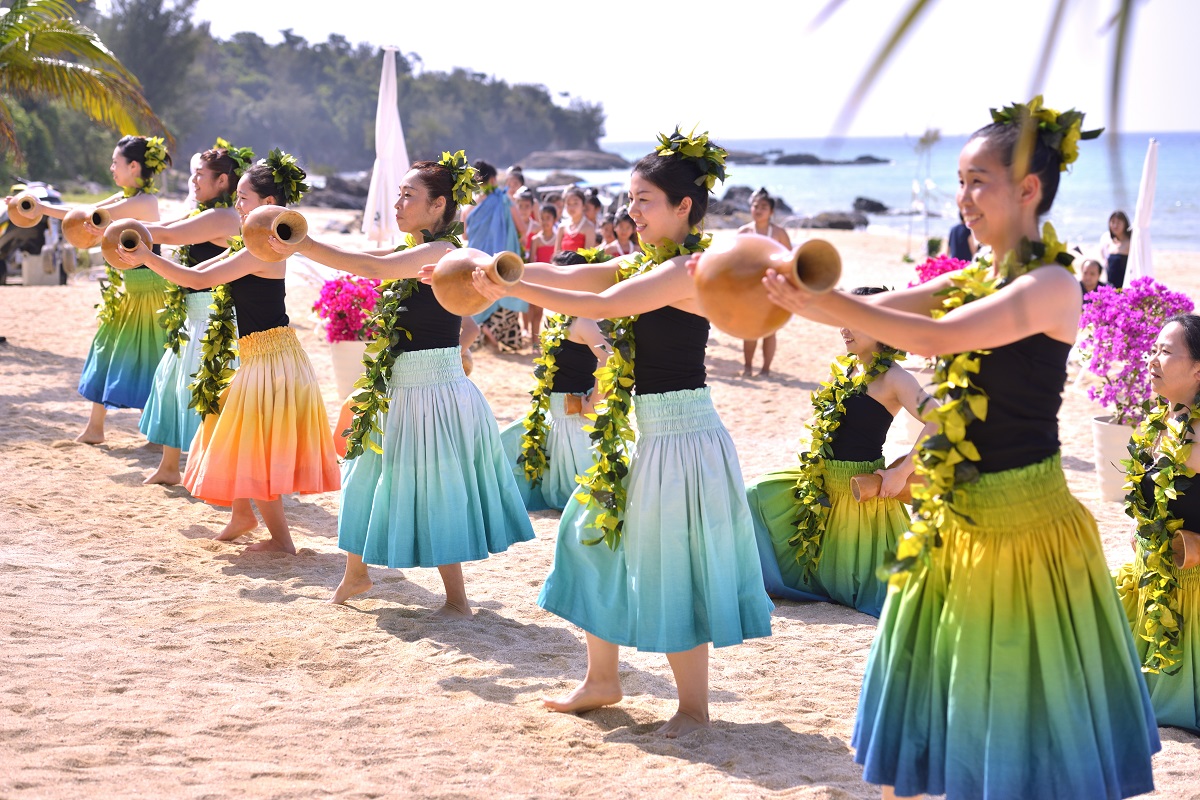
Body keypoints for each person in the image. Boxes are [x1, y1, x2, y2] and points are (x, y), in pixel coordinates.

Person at [757, 98, 1159, 798]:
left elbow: (938, 338)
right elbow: (891, 312)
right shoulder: (976, 278)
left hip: (1023, 526)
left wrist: (826, 303)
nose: (963, 198)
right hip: (951, 522)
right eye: (960, 181)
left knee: (1014, 714)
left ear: (1028, 189)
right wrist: (806, 299)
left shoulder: (1051, 284)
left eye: (978, 181)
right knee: (931, 703)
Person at [466, 129, 773, 738]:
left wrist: (509, 286)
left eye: (645, 200)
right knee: (585, 532)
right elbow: (576, 276)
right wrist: (494, 266)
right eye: (630, 199)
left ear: (684, 206)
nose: (631, 211)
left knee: (673, 563)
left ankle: (692, 708)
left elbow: (607, 305)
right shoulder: (642, 261)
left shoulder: (692, 269)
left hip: (682, 433)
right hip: (643, 432)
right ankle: (602, 680)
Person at [275, 152, 535, 612]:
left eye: (409, 196)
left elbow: (373, 269)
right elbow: (370, 259)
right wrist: (305, 245)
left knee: (433, 488)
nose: (398, 203)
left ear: (439, 206)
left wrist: (302, 243)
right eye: (398, 194)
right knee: (363, 476)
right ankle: (356, 573)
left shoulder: (442, 251)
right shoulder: (412, 253)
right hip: (398, 385)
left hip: (432, 389)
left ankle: (456, 598)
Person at [113, 149, 340, 554]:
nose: (236, 205)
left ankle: (281, 541)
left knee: (254, 443)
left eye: (242, 198)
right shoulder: (252, 245)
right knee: (230, 429)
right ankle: (242, 515)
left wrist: (146, 257)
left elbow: (196, 279)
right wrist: (144, 254)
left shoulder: (261, 251)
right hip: (265, 353)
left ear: (268, 205)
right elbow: (197, 274)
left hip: (271, 357)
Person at [744, 287, 937, 617]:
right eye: (843, 320)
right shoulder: (849, 369)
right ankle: (752, 581)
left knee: (853, 585)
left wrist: (901, 472)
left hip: (858, 489)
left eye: (854, 320)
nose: (844, 328)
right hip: (820, 481)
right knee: (755, 494)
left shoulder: (894, 377)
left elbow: (939, 420)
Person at [14, 135, 172, 444]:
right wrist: (38, 207)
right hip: (129, 290)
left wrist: (42, 208)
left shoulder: (145, 201)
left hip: (152, 291)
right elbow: (82, 212)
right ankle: (95, 428)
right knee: (106, 351)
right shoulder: (125, 194)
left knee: (152, 360)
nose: (111, 167)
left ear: (134, 166)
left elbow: (94, 216)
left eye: (116, 162)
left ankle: (156, 435)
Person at [136, 141, 251, 485]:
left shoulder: (222, 216)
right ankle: (169, 467)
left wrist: (116, 229)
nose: (194, 181)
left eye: (201, 175)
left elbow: (168, 232)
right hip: (191, 314)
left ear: (222, 182)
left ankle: (210, 471)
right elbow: (173, 225)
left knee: (200, 390)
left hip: (210, 318)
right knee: (173, 384)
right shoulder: (205, 212)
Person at [1114, 314, 1200, 734]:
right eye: (1154, 349)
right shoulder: (1158, 425)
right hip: (1149, 582)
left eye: (1166, 351)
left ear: (1199, 368)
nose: (1152, 359)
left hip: (1191, 594)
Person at [499, 250, 607, 511]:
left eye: (558, 277)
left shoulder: (583, 320)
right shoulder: (554, 316)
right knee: (501, 449)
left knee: (582, 497)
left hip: (577, 418)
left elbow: (609, 358)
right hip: (553, 416)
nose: (550, 283)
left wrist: (594, 401)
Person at [467, 160, 530, 351]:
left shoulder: (471, 203)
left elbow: (464, 233)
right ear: (493, 179)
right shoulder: (504, 199)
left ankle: (479, 331)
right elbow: (522, 228)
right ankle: (493, 329)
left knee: (479, 294)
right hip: (499, 259)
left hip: (476, 259)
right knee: (503, 293)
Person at [737, 188, 791, 377]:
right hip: (749, 287)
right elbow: (735, 260)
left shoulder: (779, 233)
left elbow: (789, 261)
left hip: (772, 287)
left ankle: (766, 369)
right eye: (755, 205)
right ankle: (747, 367)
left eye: (763, 207)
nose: (758, 209)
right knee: (750, 329)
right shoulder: (743, 231)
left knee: (769, 330)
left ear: (771, 211)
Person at [554, 186, 595, 255]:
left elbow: (589, 257)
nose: (571, 207)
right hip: (561, 265)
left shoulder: (589, 227)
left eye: (575, 203)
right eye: (568, 203)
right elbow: (556, 254)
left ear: (583, 205)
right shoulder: (562, 227)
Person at [1100, 209, 1132, 289]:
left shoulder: (1130, 243)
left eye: (1118, 223)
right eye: (1113, 222)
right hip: (1110, 285)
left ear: (1125, 224)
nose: (1115, 226)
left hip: (1125, 286)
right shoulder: (1108, 242)